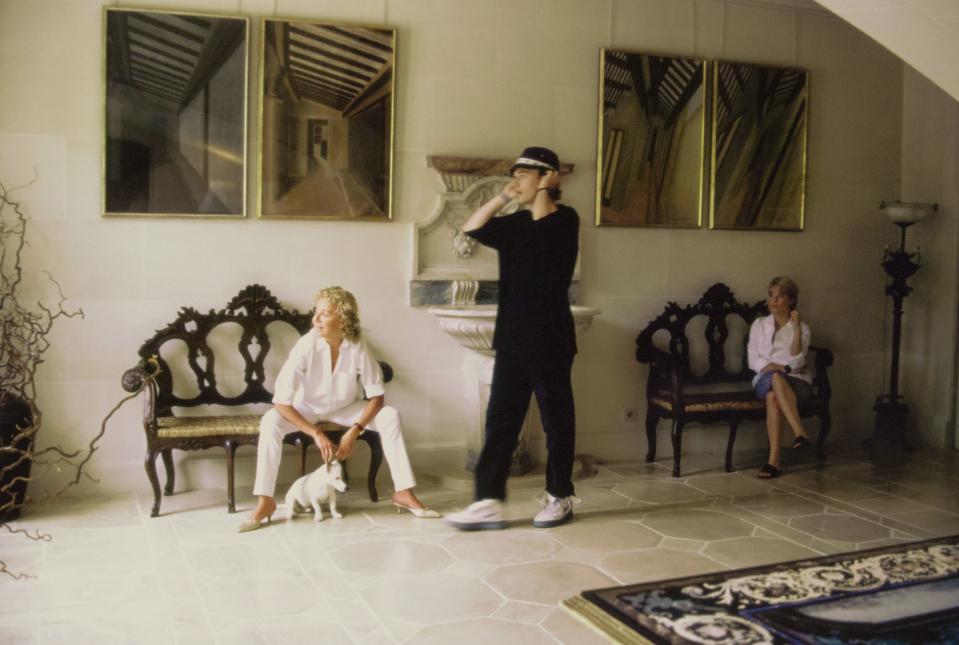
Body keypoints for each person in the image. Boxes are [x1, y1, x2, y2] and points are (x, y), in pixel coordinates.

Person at [445, 147, 580, 530]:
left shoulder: (565, 220)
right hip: (513, 339)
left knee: (557, 422)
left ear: (548, 178)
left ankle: (559, 497)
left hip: (551, 339)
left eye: (523, 175)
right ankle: (488, 501)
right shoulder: (515, 224)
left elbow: (544, 233)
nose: (515, 181)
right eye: (515, 175)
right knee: (500, 422)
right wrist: (504, 196)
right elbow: (472, 227)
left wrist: (542, 193)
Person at [239, 286, 439, 532]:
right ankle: (265, 501)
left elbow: (377, 397)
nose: (315, 319)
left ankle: (403, 492)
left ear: (343, 318)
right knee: (270, 421)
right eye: (316, 312)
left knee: (390, 416)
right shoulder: (306, 346)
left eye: (324, 313)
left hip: (345, 408)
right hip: (307, 408)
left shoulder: (357, 345)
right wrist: (316, 433)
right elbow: (281, 401)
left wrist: (354, 431)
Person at [747, 276, 813, 479]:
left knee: (773, 396)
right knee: (775, 378)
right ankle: (799, 431)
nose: (774, 300)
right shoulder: (759, 325)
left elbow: (798, 362)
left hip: (798, 382)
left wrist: (797, 328)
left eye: (780, 296)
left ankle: (773, 462)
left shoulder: (803, 329)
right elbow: (753, 360)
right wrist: (779, 367)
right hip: (764, 379)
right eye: (771, 295)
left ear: (791, 300)